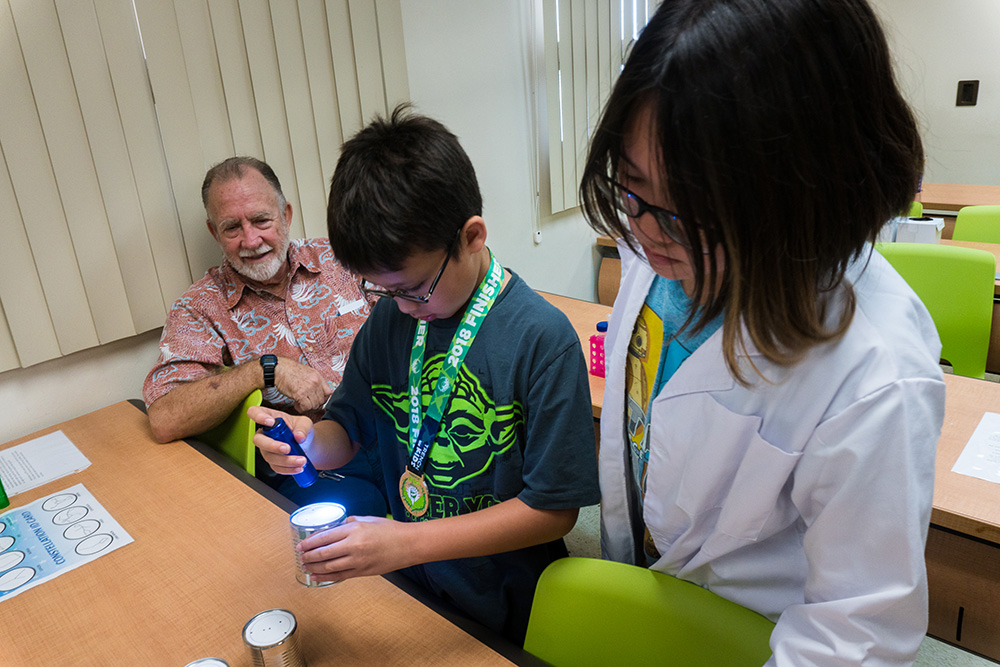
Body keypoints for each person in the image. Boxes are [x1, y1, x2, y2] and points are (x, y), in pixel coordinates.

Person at [579, 0, 945, 664]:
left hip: (755, 637)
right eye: (631, 186)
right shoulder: (654, 244)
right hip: (641, 586)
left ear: (802, 190)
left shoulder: (873, 370)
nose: (645, 233)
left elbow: (853, 634)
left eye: (689, 211)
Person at [250, 107, 600, 645]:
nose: (403, 306)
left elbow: (553, 510)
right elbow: (347, 429)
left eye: (414, 288)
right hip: (416, 587)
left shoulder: (540, 340)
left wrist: (407, 543)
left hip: (513, 601)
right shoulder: (390, 320)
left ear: (472, 236)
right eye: (382, 289)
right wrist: (308, 444)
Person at [143, 156, 386, 516]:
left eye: (261, 220)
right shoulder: (200, 306)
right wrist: (263, 370)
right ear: (214, 232)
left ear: (285, 215)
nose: (251, 239)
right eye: (232, 228)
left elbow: (417, 321)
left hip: (395, 431)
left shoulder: (344, 259)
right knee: (357, 514)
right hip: (310, 462)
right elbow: (165, 419)